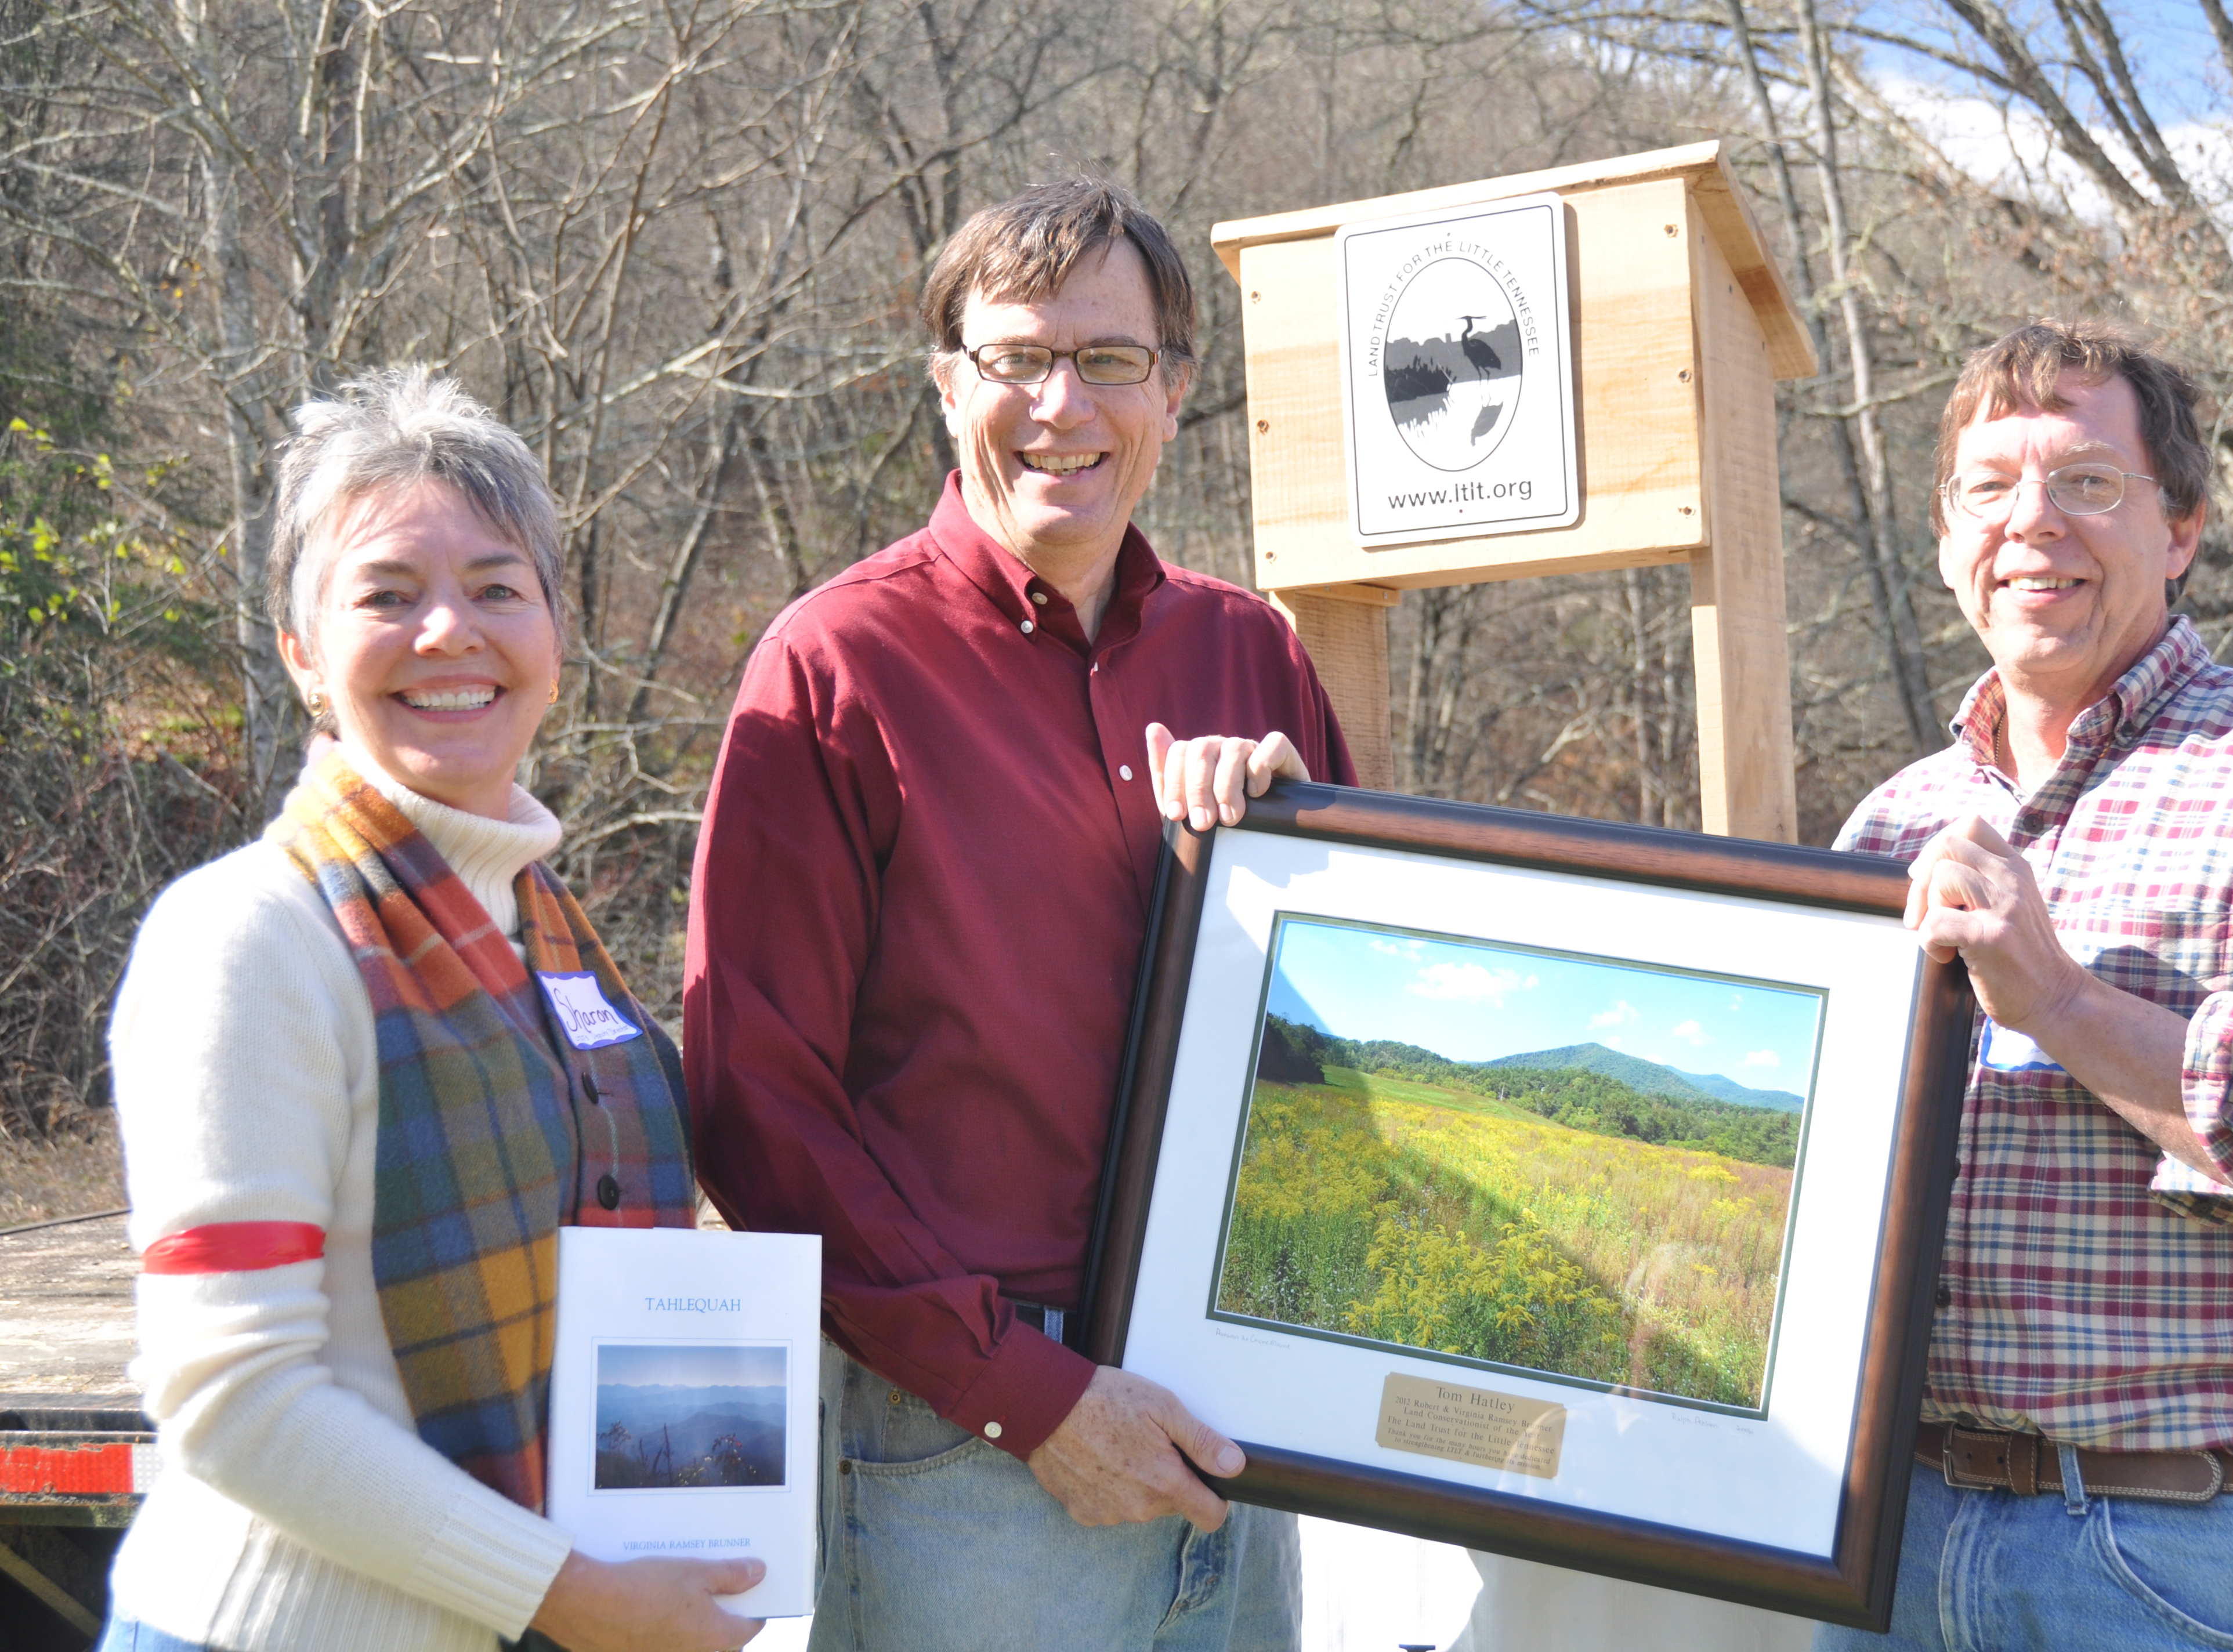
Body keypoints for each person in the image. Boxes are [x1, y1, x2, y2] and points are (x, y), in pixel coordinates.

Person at [685, 177, 1354, 1652]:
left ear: (1173, 392)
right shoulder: (831, 669)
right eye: (1015, 359)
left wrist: (1306, 864)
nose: (1063, 403)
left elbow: (1341, 1041)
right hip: (966, 1448)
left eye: (1109, 360)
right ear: (946, 386)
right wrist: (1031, 1400)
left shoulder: (1252, 656)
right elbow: (758, 1104)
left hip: (1237, 1422)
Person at [1817, 320, 2233, 1650]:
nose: (2030, 525)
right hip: (1883, 1549)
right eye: (1987, 488)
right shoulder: (1884, 827)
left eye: (2084, 481)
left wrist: (2063, 1004)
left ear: (2178, 527)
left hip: (2176, 1557)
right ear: (1945, 536)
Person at [100, 368, 764, 1652]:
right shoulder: (248, 935)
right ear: (302, 653)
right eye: (387, 595)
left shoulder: (549, 935)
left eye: (497, 587)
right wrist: (567, 1592)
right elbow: (233, 1396)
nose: (450, 631)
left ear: (556, 634)